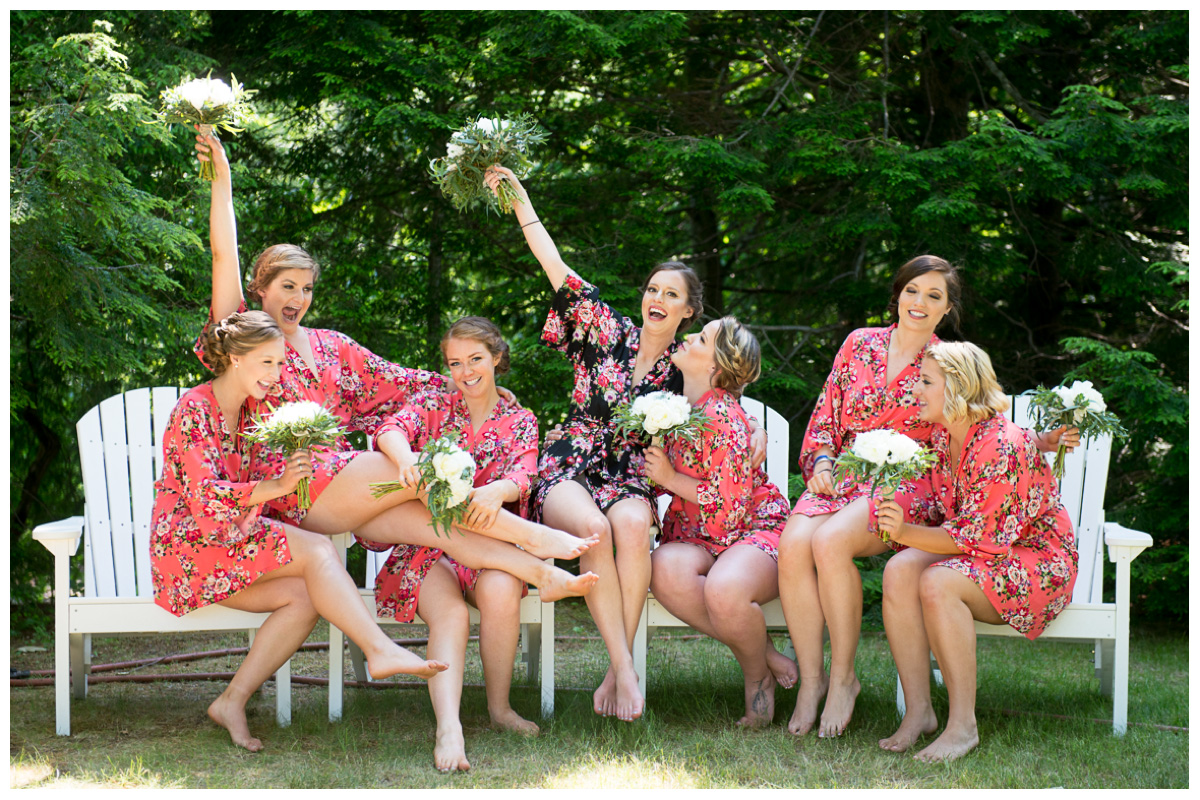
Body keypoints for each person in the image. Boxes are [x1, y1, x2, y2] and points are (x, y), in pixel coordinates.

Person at [191, 130, 601, 596]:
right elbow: (224, 254)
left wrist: (473, 383)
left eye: (306, 288)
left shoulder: (333, 347)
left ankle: (544, 575)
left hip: (341, 486)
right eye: (287, 286)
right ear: (261, 289)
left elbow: (403, 382)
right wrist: (221, 178)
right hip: (291, 487)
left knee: (436, 524)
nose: (298, 298)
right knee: (425, 472)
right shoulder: (243, 338)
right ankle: (534, 537)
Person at [483, 165, 768, 721]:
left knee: (634, 527)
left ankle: (617, 674)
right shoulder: (605, 331)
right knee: (593, 530)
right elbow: (555, 267)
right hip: (570, 462)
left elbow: (727, 395)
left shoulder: (682, 367)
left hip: (631, 472)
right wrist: (521, 203)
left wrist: (754, 427)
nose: (657, 298)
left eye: (672, 294)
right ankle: (626, 668)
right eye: (652, 288)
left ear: (690, 310)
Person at [777, 255, 1076, 738]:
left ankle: (843, 679)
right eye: (912, 290)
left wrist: (1039, 440)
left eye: (934, 296)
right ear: (897, 294)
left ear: (947, 309)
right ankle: (812, 680)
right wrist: (823, 465)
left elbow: (982, 420)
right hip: (842, 476)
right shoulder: (860, 344)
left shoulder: (945, 361)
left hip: (907, 483)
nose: (919, 302)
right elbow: (825, 418)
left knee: (830, 541)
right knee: (793, 545)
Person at [150, 311, 449, 753]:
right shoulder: (195, 407)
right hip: (189, 549)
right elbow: (203, 495)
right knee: (316, 551)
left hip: (231, 544)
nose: (276, 375)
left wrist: (293, 475)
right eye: (266, 363)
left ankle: (231, 701)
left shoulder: (253, 414)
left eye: (279, 363)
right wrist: (275, 487)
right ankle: (379, 649)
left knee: (308, 596)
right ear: (234, 357)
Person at [874, 341, 1078, 763]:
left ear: (958, 388)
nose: (917, 390)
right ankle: (920, 712)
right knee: (898, 570)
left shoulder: (1000, 444)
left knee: (937, 583)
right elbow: (941, 511)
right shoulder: (945, 436)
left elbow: (976, 539)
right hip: (990, 553)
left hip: (1038, 561)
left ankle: (963, 726)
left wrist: (906, 529)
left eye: (927, 381)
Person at [367, 317, 544, 772]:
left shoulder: (520, 418)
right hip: (431, 547)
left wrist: (500, 490)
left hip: (489, 539)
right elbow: (390, 428)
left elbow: (524, 473)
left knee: (502, 588)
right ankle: (450, 728)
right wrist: (406, 458)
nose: (466, 371)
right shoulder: (435, 404)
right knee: (450, 612)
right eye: (455, 363)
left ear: (497, 358)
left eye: (476, 360)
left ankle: (499, 708)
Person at [643, 317, 793, 727]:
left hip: (752, 529)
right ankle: (766, 654)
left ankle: (756, 679)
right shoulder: (674, 407)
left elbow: (730, 510)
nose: (688, 337)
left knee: (726, 590)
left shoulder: (723, 418)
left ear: (714, 368)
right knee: (665, 570)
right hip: (699, 534)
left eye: (702, 338)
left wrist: (670, 480)